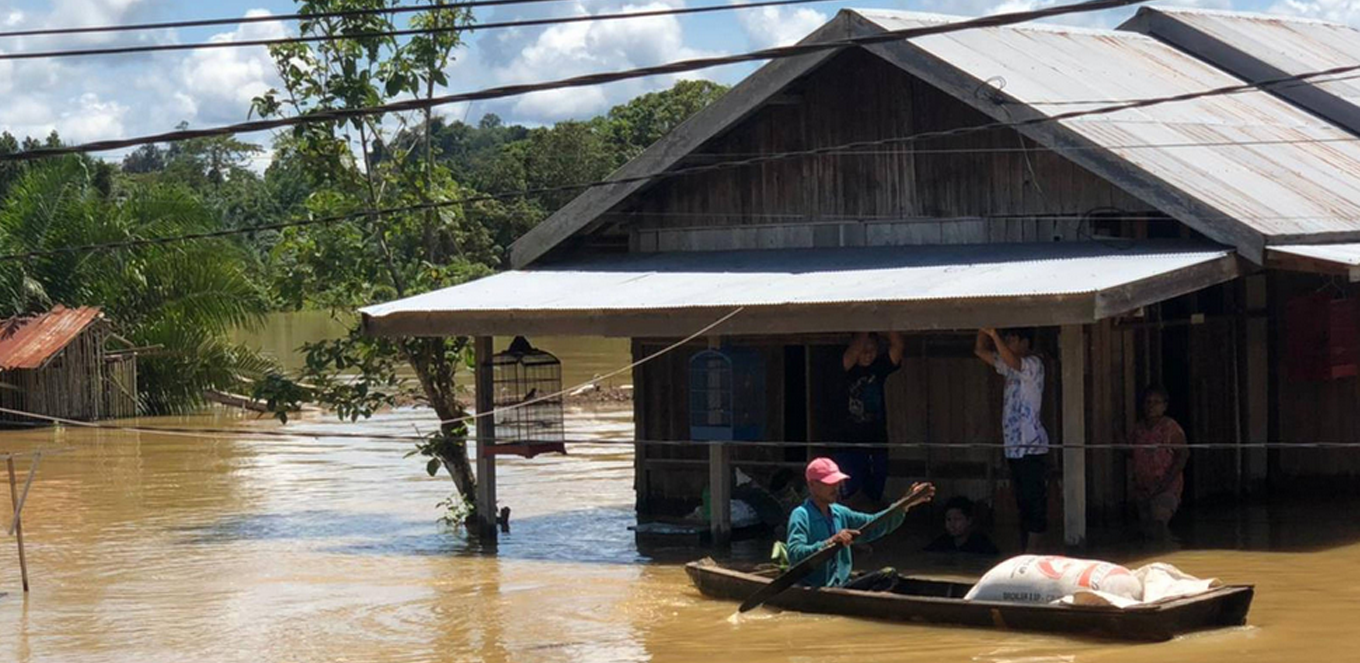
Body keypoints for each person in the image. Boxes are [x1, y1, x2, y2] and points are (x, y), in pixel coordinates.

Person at [785, 457, 935, 590]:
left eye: (837, 483)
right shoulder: (801, 515)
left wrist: (904, 504)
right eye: (829, 483)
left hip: (840, 584)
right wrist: (830, 542)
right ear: (812, 485)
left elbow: (873, 524)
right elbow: (795, 554)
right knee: (887, 576)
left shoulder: (840, 513)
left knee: (889, 576)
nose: (836, 488)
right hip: (816, 587)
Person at [974, 327, 1049, 552]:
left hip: (1032, 445)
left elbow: (1014, 361)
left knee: (1034, 501)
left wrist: (995, 336)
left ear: (1025, 342)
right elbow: (979, 351)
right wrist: (983, 329)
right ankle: (1025, 549)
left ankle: (1033, 551)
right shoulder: (1009, 366)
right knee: (1022, 502)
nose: (1007, 343)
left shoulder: (1034, 363)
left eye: (1012, 339)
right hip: (1013, 446)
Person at [838, 331, 905, 505]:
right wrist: (865, 325)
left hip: (877, 440)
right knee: (850, 495)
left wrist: (885, 321)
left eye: (873, 349)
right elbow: (851, 354)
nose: (868, 353)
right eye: (863, 348)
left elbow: (897, 347)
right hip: (849, 443)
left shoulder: (878, 368)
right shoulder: (845, 366)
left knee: (874, 494)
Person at [1128, 385, 1189, 541]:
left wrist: (1167, 481)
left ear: (1164, 406)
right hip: (1143, 487)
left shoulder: (1171, 428)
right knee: (1147, 529)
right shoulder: (1138, 429)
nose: (1151, 406)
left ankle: (1170, 552)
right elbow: (1131, 453)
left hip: (1166, 486)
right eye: (1148, 402)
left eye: (1156, 402)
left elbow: (1183, 455)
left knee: (1158, 524)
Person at [924, 496, 1000, 556]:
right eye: (949, 519)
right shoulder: (942, 542)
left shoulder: (982, 545)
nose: (952, 524)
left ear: (969, 521)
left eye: (957, 519)